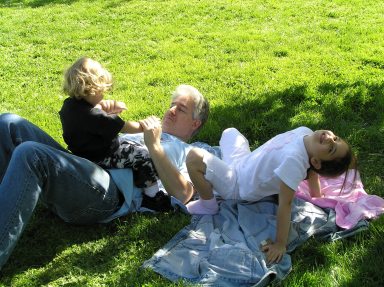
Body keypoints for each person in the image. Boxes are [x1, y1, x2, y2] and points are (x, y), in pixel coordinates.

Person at [0, 84, 209, 270]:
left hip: (107, 194)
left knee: (30, 153)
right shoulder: (146, 131)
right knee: (8, 124)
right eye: (172, 104)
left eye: (181, 109)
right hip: (85, 169)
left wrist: (154, 146)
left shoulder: (187, 151)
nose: (171, 110)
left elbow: (184, 193)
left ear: (195, 124)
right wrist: (100, 117)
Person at [185, 127, 356, 264]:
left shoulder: (294, 161)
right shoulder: (307, 133)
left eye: (331, 148)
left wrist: (280, 243)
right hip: (243, 163)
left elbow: (286, 204)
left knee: (194, 157)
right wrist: (316, 196)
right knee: (229, 132)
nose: (330, 138)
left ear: (317, 161)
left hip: (237, 187)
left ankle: (208, 203)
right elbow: (312, 173)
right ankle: (218, 172)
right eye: (336, 138)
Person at [60, 57, 160, 197]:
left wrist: (103, 106)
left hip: (83, 154)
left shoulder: (69, 106)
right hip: (102, 157)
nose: (104, 94)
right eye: (102, 91)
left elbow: (89, 115)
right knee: (143, 156)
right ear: (92, 89)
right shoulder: (95, 116)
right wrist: (145, 125)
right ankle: (153, 196)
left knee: (133, 145)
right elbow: (124, 127)